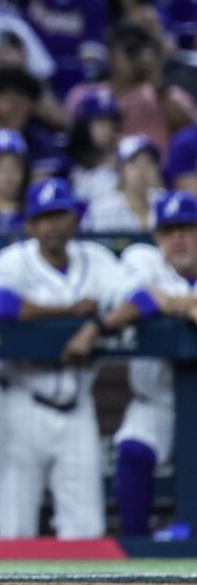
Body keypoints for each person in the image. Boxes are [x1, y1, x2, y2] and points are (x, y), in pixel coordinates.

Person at [0, 178, 119, 539]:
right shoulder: (13, 259)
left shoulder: (98, 261)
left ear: (74, 218)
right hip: (20, 402)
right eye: (43, 217)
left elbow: (137, 299)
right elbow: (1, 306)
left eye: (59, 214)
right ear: (29, 225)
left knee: (86, 534)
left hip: (76, 406)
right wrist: (71, 311)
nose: (52, 225)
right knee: (14, 530)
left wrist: (95, 326)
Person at [79, 190, 197, 536]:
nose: (177, 238)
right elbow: (139, 298)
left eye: (187, 228)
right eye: (168, 230)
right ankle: (136, 551)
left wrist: (168, 301)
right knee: (132, 448)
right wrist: (186, 305)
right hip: (156, 402)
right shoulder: (143, 257)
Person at [63, 21, 196, 151]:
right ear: (110, 55)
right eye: (130, 50)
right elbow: (76, 147)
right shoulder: (83, 94)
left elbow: (189, 132)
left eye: (140, 49)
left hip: (157, 171)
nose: (136, 58)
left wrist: (158, 86)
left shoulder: (166, 94)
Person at [82, 136, 162, 233]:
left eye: (149, 163)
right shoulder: (104, 209)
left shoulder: (165, 203)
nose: (143, 170)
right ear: (121, 170)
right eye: (135, 164)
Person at [68, 90, 124, 204]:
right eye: (100, 121)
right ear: (84, 125)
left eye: (111, 122)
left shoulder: (124, 154)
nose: (108, 128)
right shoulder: (69, 161)